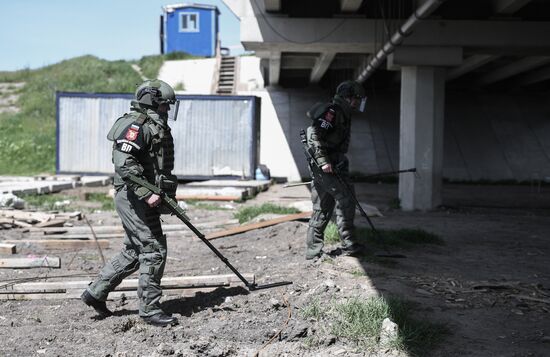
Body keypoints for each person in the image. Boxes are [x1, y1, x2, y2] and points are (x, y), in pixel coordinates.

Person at [81, 79, 180, 326]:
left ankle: (95, 292)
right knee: (153, 250)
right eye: (164, 106)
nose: (167, 111)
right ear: (151, 102)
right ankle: (150, 310)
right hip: (133, 196)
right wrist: (147, 193)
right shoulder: (136, 126)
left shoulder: (153, 125)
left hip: (140, 195)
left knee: (135, 251)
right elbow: (124, 164)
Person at [304, 80, 367, 260]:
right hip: (326, 167)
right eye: (356, 99)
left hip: (332, 166)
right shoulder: (333, 112)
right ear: (348, 98)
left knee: (323, 207)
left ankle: (313, 251)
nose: (357, 103)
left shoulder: (342, 113)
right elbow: (313, 134)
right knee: (346, 200)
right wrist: (324, 162)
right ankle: (349, 244)